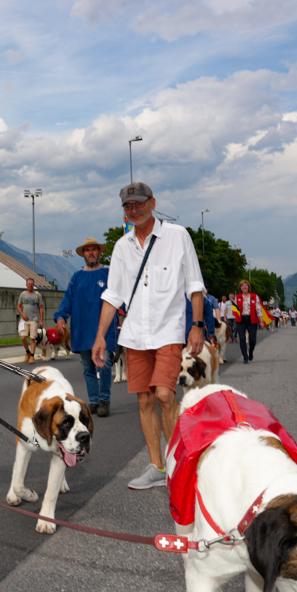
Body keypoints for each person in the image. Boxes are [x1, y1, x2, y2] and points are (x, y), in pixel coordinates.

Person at [92, 182, 205, 491]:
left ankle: (179, 464)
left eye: (139, 203)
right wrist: (101, 336)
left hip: (168, 329)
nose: (134, 209)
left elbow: (195, 284)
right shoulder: (121, 246)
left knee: (165, 394)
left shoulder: (177, 236)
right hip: (135, 335)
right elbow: (113, 295)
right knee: (145, 399)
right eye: (128, 206)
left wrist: (197, 324)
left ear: (152, 203)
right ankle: (157, 467)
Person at [54, 237, 118, 417]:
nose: (91, 253)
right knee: (88, 369)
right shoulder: (77, 277)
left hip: (103, 331)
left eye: (94, 250)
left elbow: (119, 295)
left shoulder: (108, 273)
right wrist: (61, 316)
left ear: (99, 252)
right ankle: (94, 401)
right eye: (87, 250)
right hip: (82, 330)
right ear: (83, 254)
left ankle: (105, 399)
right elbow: (67, 299)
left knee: (104, 365)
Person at [233, 279, 263, 363]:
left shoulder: (254, 296)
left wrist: (261, 321)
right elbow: (234, 309)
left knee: (252, 339)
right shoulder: (237, 297)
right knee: (242, 338)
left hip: (252, 319)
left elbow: (258, 309)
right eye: (242, 286)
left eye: (245, 285)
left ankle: (250, 352)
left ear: (248, 287)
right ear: (240, 288)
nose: (244, 287)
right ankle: (245, 356)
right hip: (241, 320)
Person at [18, 277, 45, 364]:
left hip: (34, 319)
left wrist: (41, 320)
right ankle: (27, 352)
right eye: (29, 284)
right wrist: (22, 314)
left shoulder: (38, 295)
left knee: (32, 338)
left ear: (34, 285)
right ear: (26, 285)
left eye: (32, 284)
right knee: (23, 337)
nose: (30, 285)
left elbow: (41, 308)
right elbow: (18, 306)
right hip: (24, 320)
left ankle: (32, 356)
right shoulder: (22, 294)